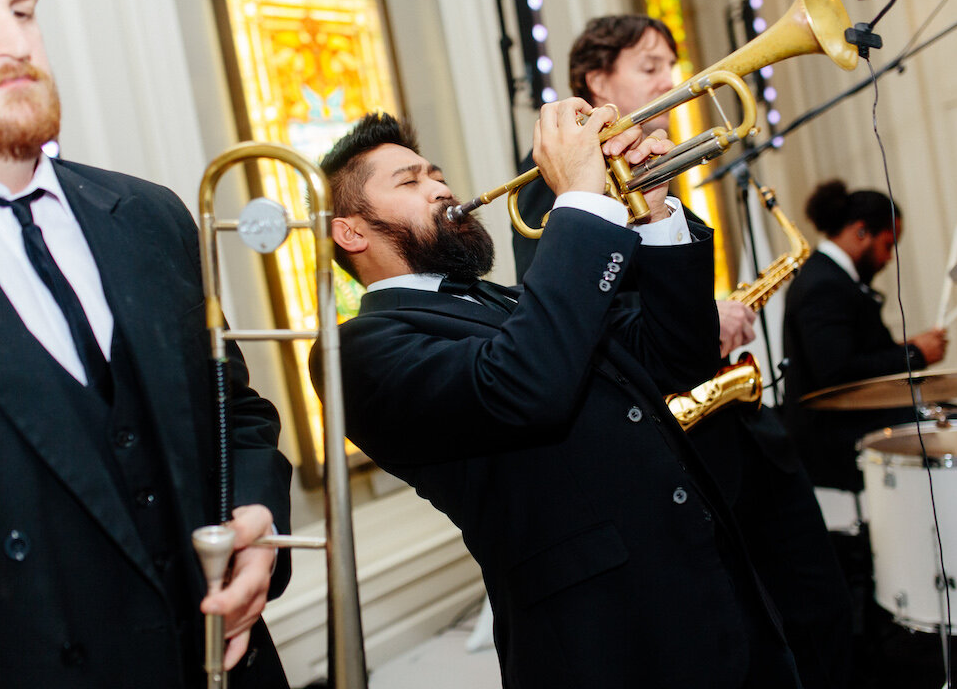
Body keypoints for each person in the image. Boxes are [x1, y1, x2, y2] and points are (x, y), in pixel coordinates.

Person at [312, 107, 802, 688]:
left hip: (713, 596)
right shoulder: (355, 350)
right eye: (410, 181)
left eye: (436, 173)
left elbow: (676, 356)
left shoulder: (509, 301)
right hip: (603, 643)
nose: (441, 187)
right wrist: (580, 201)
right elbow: (523, 387)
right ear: (351, 231)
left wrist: (656, 209)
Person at [0, 0, 292, 686]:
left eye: (24, 9)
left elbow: (238, 415)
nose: (14, 41)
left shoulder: (151, 217)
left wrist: (257, 518)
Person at [513, 15, 852, 689]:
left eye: (669, 63)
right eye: (649, 67)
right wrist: (703, 317)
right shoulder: (549, 190)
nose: (671, 80)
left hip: (744, 427)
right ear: (596, 80)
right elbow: (580, 321)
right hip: (680, 455)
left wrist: (708, 309)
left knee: (821, 606)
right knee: (755, 629)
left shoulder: (658, 166)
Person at [781, 179, 947, 688]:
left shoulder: (834, 278)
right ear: (860, 232)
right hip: (832, 446)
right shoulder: (825, 282)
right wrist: (913, 354)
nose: (888, 255)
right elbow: (835, 371)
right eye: (887, 243)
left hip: (845, 433)